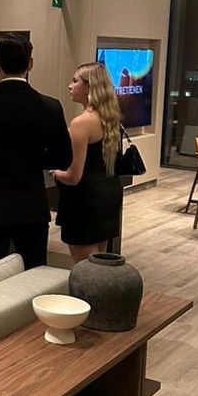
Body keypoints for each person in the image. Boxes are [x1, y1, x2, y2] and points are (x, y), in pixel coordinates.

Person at [0, 34, 72, 268]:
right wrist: (32, 163)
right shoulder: (50, 106)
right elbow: (64, 157)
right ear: (30, 64)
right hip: (31, 207)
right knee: (32, 275)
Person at [51, 63, 123, 263]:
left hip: (86, 200)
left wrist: (54, 173)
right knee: (99, 262)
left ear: (89, 87)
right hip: (108, 194)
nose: (70, 86)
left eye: (75, 81)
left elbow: (74, 177)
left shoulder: (81, 123)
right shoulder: (111, 118)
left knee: (85, 269)